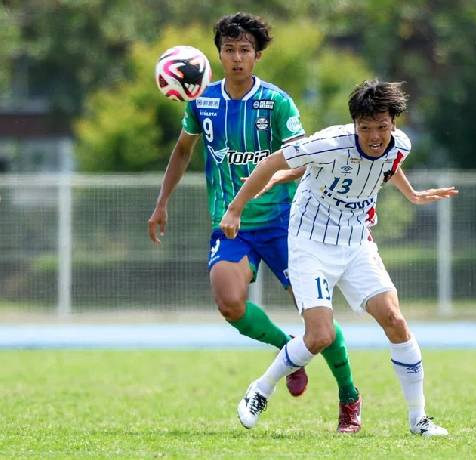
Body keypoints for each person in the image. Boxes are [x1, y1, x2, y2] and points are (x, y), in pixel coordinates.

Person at [147, 12, 364, 433]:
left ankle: (349, 395)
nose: (237, 58)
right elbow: (182, 153)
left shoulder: (276, 102)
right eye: (229, 50)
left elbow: (301, 160)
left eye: (245, 50)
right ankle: (288, 349)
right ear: (219, 55)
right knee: (229, 302)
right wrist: (161, 204)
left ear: (257, 55)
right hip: (229, 224)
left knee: (317, 319)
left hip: (285, 224)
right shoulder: (202, 101)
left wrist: (264, 184)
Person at [220, 79, 458, 436]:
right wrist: (236, 208)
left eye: (382, 127)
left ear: (394, 123)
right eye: (365, 128)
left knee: (394, 318)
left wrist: (412, 195)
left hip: (356, 241)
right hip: (310, 243)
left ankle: (419, 419)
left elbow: (389, 165)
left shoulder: (400, 145)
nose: (375, 136)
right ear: (354, 124)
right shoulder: (330, 142)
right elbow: (272, 162)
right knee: (318, 336)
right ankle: (261, 389)